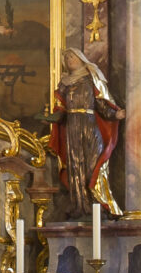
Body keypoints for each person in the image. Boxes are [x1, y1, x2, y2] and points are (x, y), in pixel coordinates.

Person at [47, 47, 123, 220]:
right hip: (72, 126)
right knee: (75, 167)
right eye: (67, 59)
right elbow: (61, 109)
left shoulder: (91, 78)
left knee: (92, 165)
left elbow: (102, 103)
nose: (70, 60)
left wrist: (114, 114)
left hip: (89, 123)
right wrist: (51, 118)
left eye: (72, 57)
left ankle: (99, 204)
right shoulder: (64, 83)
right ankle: (80, 207)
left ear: (81, 58)